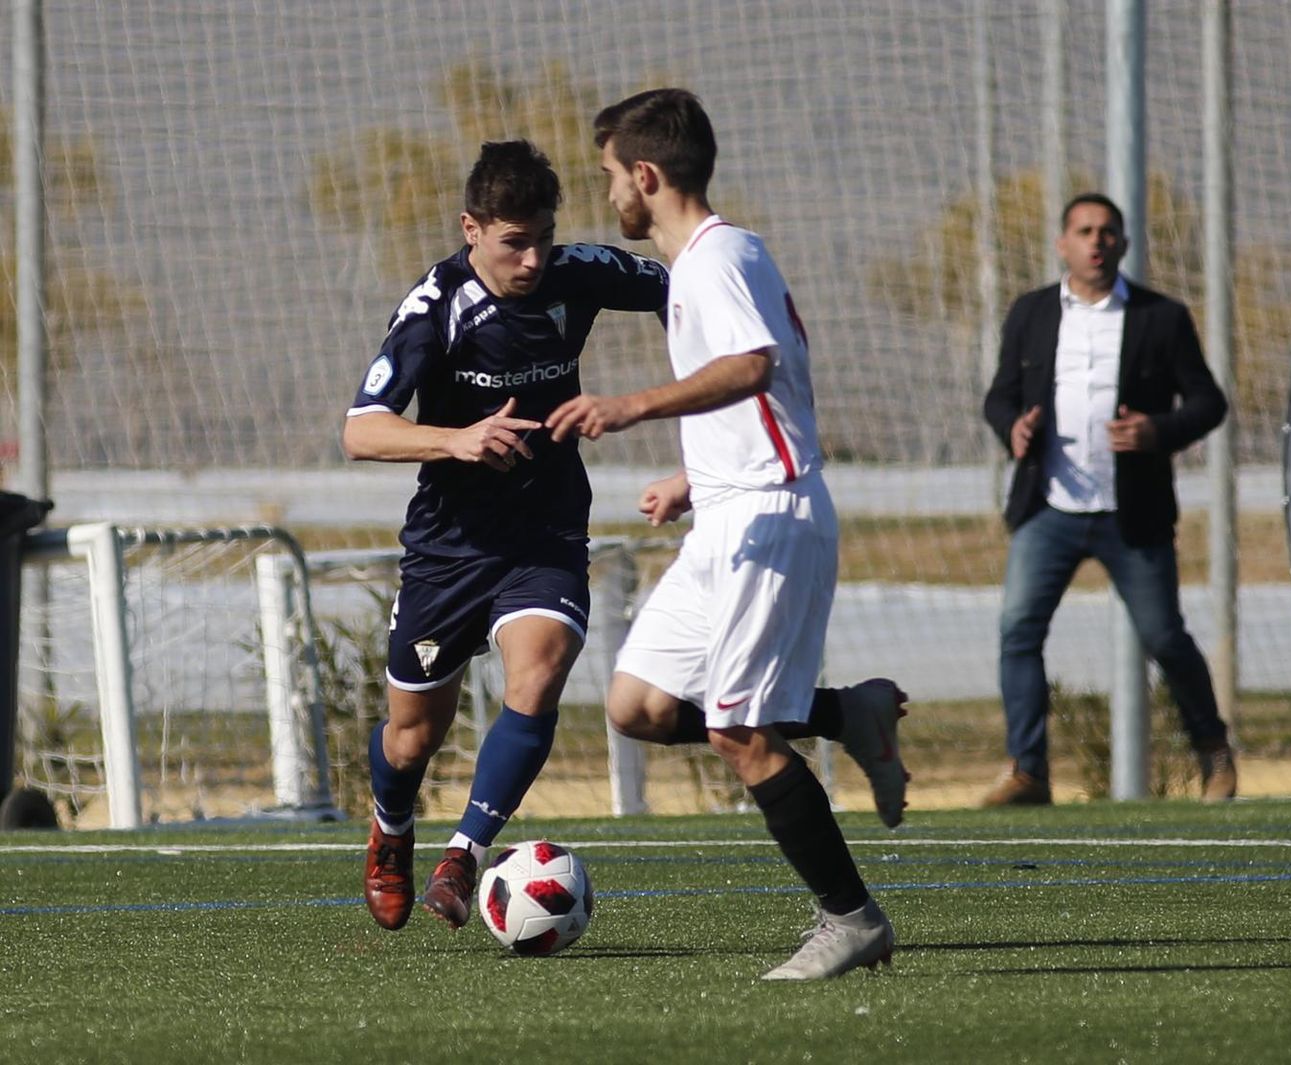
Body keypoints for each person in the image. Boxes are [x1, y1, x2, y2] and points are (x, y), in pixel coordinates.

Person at [542, 87, 903, 979]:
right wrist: (693, 478)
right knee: (641, 707)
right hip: (730, 511)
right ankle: (842, 712)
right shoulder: (719, 256)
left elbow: (753, 366)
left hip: (772, 518)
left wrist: (630, 407)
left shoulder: (712, 262)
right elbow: (764, 400)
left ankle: (851, 918)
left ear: (648, 175)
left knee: (738, 732)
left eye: (611, 177)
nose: (610, 195)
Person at [343, 140, 671, 932]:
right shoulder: (436, 307)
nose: (531, 259)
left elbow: (681, 284)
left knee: (539, 671)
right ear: (471, 229)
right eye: (512, 242)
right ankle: (391, 830)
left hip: (545, 531)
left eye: (542, 238)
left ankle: (464, 855)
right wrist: (454, 439)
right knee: (412, 736)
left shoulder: (577, 272)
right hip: (449, 547)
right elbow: (362, 430)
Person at [980, 192, 1235, 805]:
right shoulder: (1032, 313)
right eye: (1084, 231)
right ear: (1063, 244)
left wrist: (1157, 431)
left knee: (1165, 636)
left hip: (1133, 515)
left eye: (1108, 231)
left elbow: (1208, 402)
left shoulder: (1160, 317)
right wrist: (1012, 427)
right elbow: (999, 397)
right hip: (1049, 508)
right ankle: (1028, 771)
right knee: (1018, 629)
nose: (1096, 241)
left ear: (1122, 243)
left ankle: (1215, 753)